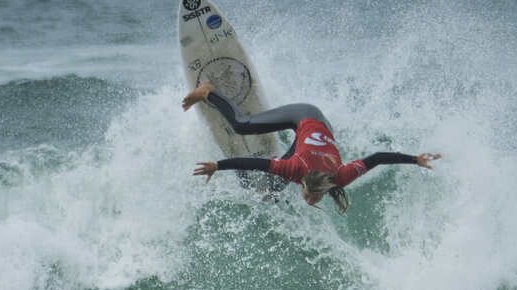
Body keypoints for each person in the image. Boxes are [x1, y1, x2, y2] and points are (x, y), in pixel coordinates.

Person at [182, 81, 441, 212]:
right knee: (242, 125)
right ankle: (208, 92)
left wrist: (415, 160)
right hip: (304, 116)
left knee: (272, 190)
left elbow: (378, 158)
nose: (311, 199)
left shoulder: (338, 177)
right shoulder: (295, 168)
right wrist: (218, 165)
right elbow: (252, 162)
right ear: (303, 182)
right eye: (311, 195)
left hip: (318, 131)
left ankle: (263, 192)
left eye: (314, 197)